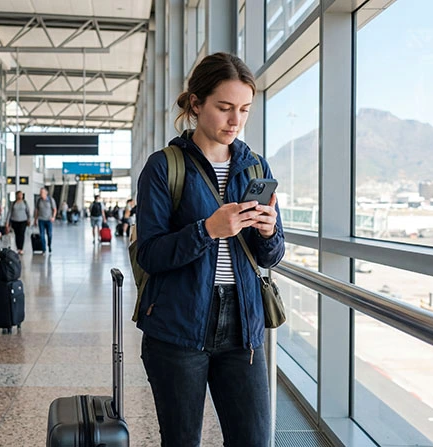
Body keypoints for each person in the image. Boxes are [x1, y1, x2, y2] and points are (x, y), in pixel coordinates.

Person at [135, 52, 285, 446]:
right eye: (224, 108)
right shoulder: (163, 167)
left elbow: (271, 256)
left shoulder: (256, 168)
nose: (235, 120)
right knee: (183, 440)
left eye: (244, 109)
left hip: (243, 326)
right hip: (178, 326)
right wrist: (207, 230)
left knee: (253, 440)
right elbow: (149, 254)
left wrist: (269, 234)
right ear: (196, 104)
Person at [32, 187, 57, 253]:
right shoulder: (39, 200)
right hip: (41, 220)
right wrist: (35, 220)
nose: (41, 194)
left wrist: (53, 217)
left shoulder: (51, 200)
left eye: (42, 192)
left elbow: (54, 209)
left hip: (49, 220)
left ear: (46, 193)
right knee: (42, 235)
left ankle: (49, 245)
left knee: (49, 234)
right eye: (40, 192)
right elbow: (37, 210)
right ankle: (44, 249)